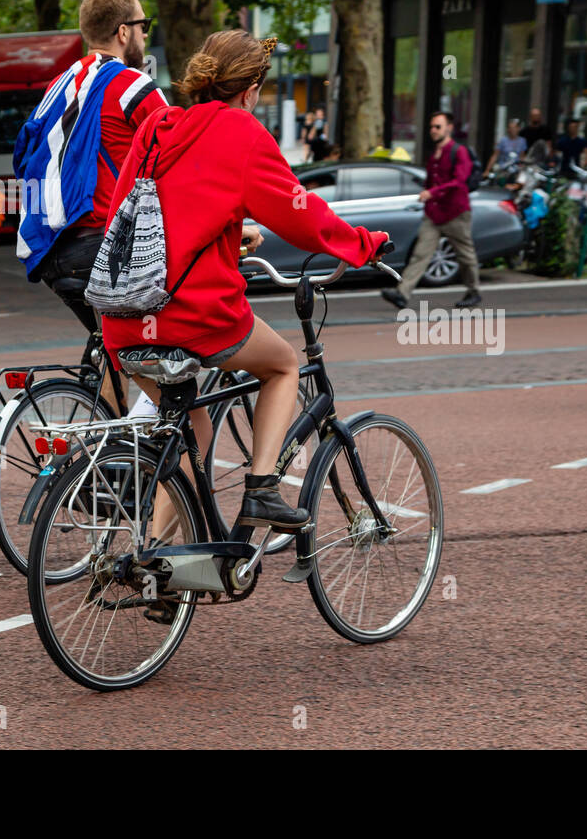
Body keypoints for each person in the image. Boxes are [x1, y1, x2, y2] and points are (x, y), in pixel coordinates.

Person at [99, 29, 388, 531]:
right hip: (192, 317)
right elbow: (301, 215)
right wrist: (360, 244)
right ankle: (261, 490)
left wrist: (228, 239)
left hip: (122, 319)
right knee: (281, 367)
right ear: (251, 89)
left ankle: (157, 565)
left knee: (191, 428)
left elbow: (138, 217)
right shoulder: (242, 133)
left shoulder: (156, 127)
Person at [14, 0, 169, 415]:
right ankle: (140, 453)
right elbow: (181, 160)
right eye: (143, 25)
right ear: (124, 31)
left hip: (52, 250)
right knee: (177, 346)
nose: (143, 34)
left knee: (112, 351)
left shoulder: (61, 86)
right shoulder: (133, 86)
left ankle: (102, 465)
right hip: (102, 248)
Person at [380, 111, 481, 311]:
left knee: (465, 254)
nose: (433, 130)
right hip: (434, 214)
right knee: (421, 253)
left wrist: (431, 193)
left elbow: (459, 181)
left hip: (455, 213)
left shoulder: (458, 152)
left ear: (449, 128)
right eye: (431, 127)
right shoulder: (434, 153)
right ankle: (402, 293)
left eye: (438, 127)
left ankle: (474, 291)